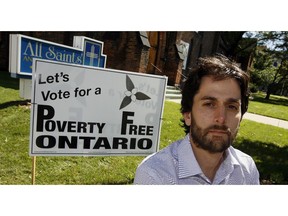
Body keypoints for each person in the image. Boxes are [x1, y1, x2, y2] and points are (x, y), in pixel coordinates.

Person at [134, 54, 260, 185]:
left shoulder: (247, 169)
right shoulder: (154, 174)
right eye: (209, 104)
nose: (221, 118)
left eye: (231, 106)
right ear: (188, 115)